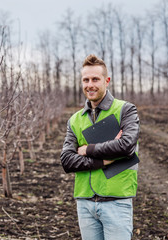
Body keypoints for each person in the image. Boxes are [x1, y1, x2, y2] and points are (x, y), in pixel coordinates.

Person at [60, 54, 140, 240]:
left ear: (107, 80)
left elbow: (126, 146)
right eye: (85, 80)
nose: (90, 85)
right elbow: (66, 161)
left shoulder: (125, 110)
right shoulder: (75, 120)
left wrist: (87, 150)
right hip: (85, 203)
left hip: (117, 202)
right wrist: (104, 160)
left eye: (95, 79)